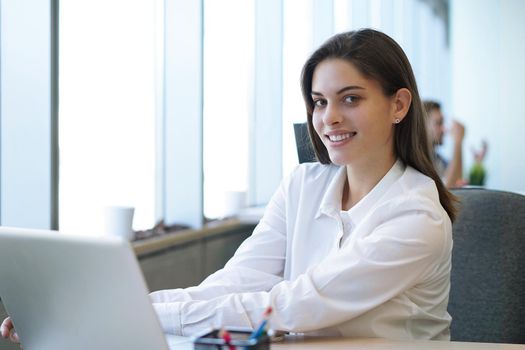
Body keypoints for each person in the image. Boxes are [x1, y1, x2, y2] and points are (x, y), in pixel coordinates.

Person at [2, 29, 457, 343]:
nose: (329, 118)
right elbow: (239, 280)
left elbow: (296, 305)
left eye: (350, 99)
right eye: (319, 102)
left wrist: (126, 316)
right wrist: (97, 313)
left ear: (398, 105)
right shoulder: (304, 183)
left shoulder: (416, 216)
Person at [423, 100, 465, 188]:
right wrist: (457, 143)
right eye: (438, 123)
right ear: (422, 126)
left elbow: (456, 181)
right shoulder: (416, 161)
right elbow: (445, 191)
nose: (444, 129)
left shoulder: (439, 160)